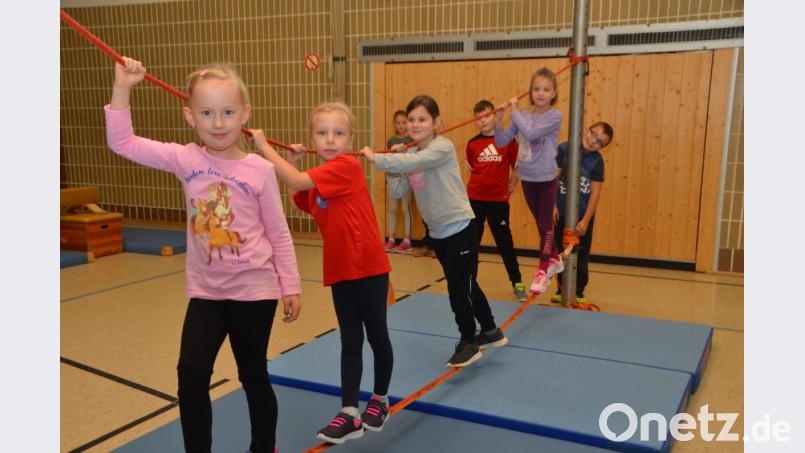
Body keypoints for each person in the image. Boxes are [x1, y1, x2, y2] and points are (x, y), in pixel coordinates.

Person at [105, 57, 301, 453]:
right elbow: (122, 143)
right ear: (189, 116)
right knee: (191, 376)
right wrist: (123, 88)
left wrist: (290, 285)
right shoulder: (184, 158)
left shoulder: (259, 169)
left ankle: (263, 447)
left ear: (244, 114)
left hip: (254, 291)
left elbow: (278, 232)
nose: (218, 122)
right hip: (207, 292)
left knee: (253, 375)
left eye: (228, 112)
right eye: (207, 113)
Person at [251, 102, 393, 445]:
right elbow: (298, 191)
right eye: (322, 132)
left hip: (369, 268)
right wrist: (296, 160)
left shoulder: (347, 167)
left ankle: (379, 400)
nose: (330, 139)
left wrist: (264, 147)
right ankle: (349, 413)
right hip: (340, 271)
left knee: (376, 335)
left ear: (350, 140)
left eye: (338, 133)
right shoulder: (320, 177)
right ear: (311, 137)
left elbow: (297, 180)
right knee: (349, 340)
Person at [362, 95, 507, 368]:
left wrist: (380, 159)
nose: (415, 125)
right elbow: (400, 189)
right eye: (411, 120)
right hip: (438, 232)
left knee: (457, 288)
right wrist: (395, 167)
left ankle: (469, 341)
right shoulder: (412, 155)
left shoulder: (443, 147)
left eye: (422, 119)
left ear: (436, 122)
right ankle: (489, 330)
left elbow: (417, 163)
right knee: (466, 284)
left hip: (460, 227)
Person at [495, 67, 564, 296]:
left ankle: (543, 271)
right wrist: (498, 120)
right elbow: (503, 140)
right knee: (541, 225)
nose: (541, 93)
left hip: (546, 178)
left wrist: (514, 110)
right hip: (528, 177)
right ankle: (553, 258)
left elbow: (532, 134)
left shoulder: (555, 116)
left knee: (546, 226)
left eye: (546, 89)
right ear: (530, 91)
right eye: (536, 89)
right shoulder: (522, 115)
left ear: (553, 92)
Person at [465, 99, 527, 302]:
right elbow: (473, 170)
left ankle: (517, 282)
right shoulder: (472, 144)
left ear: (494, 116)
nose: (482, 121)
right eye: (478, 117)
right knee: (472, 243)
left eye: (486, 116)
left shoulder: (507, 141)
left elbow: (517, 166)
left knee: (504, 243)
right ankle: (469, 283)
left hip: (498, 201)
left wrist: (512, 184)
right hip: (475, 200)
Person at [551, 122, 614, 303]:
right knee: (561, 252)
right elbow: (552, 180)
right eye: (593, 134)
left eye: (600, 142)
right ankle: (561, 287)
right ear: (587, 130)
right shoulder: (564, 149)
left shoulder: (597, 162)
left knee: (581, 252)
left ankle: (578, 291)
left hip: (582, 216)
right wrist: (552, 206)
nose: (593, 141)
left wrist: (586, 220)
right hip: (560, 213)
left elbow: (595, 194)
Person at [384, 110, 414, 253]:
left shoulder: (411, 139)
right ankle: (391, 238)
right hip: (392, 178)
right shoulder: (391, 141)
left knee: (405, 208)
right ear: (394, 124)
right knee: (392, 208)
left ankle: (407, 240)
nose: (401, 126)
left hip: (406, 178)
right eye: (398, 123)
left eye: (404, 122)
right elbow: (388, 160)